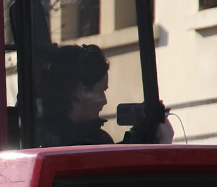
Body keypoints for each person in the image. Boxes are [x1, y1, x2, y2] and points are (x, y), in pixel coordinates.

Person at [36, 43, 173, 147]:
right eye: (101, 91)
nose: (104, 101)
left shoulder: (39, 137)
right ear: (79, 92)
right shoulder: (84, 144)